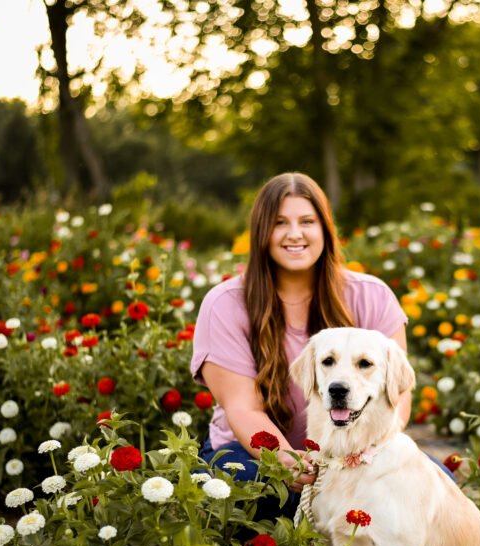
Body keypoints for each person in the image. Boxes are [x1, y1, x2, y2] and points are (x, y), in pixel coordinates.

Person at [190, 172, 450, 518]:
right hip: (251, 453)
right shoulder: (224, 303)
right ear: (260, 233)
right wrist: (285, 460)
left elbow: (395, 393)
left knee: (440, 489)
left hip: (359, 453)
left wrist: (367, 456)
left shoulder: (371, 296)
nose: (294, 234)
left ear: (325, 230)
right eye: (280, 222)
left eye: (307, 221)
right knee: (259, 494)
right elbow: (243, 408)